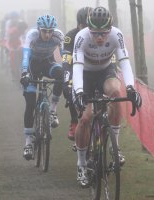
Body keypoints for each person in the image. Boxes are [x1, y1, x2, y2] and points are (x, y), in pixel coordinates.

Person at [72, 7, 142, 187]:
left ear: (110, 29)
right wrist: (79, 91)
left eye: (104, 33)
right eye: (95, 33)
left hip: (105, 71)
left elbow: (124, 62)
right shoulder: (81, 37)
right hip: (85, 76)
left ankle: (115, 148)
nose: (100, 37)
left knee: (116, 93)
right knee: (85, 118)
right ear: (89, 28)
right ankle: (81, 164)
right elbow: (77, 67)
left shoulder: (116, 35)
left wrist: (131, 88)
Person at [20, 14, 64, 160]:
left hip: (47, 63)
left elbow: (65, 57)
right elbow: (25, 55)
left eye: (50, 31)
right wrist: (24, 72)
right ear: (38, 29)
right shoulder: (32, 35)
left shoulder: (58, 36)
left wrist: (70, 73)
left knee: (61, 74)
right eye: (44, 31)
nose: (47, 34)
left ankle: (52, 110)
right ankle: (28, 143)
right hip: (32, 66)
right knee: (31, 104)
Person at [62, 7, 92, 141]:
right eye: (83, 25)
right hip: (76, 68)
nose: (86, 29)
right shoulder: (70, 36)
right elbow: (67, 61)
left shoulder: (98, 34)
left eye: (89, 25)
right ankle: (74, 121)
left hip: (94, 69)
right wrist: (67, 80)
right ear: (78, 24)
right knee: (69, 87)